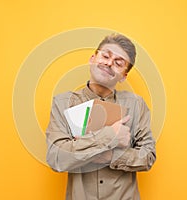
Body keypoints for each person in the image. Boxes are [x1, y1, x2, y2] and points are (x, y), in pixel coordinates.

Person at [46, 33, 156, 200]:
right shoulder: (63, 103)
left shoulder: (136, 105)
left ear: (124, 76)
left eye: (119, 63)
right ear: (93, 58)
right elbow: (56, 158)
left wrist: (111, 157)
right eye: (105, 56)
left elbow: (148, 157)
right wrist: (110, 136)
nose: (109, 63)